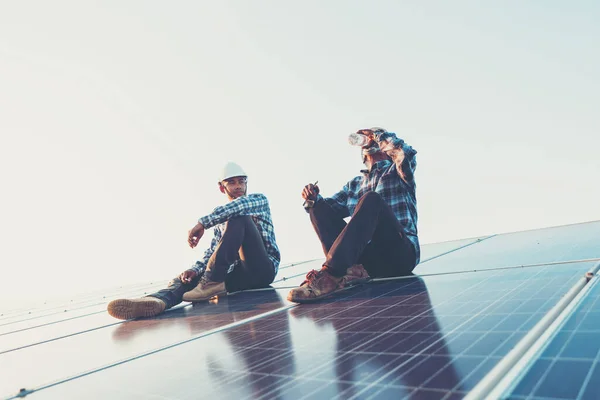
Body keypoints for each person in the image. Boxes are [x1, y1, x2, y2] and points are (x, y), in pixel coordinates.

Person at [107, 162, 281, 320]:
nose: (238, 186)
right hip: (236, 278)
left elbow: (239, 207)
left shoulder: (258, 200)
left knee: (238, 217)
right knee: (186, 278)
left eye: (241, 181)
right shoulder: (221, 220)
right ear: (222, 188)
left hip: (261, 269)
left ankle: (211, 280)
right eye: (232, 182)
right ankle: (156, 301)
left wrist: (202, 224)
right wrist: (195, 269)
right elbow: (214, 251)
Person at [287, 127, 419, 303]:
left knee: (372, 199)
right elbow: (327, 214)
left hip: (398, 255)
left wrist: (377, 135)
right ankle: (341, 271)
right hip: (367, 264)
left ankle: (331, 275)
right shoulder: (354, 184)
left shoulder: (397, 172)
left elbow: (405, 154)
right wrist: (313, 199)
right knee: (317, 207)